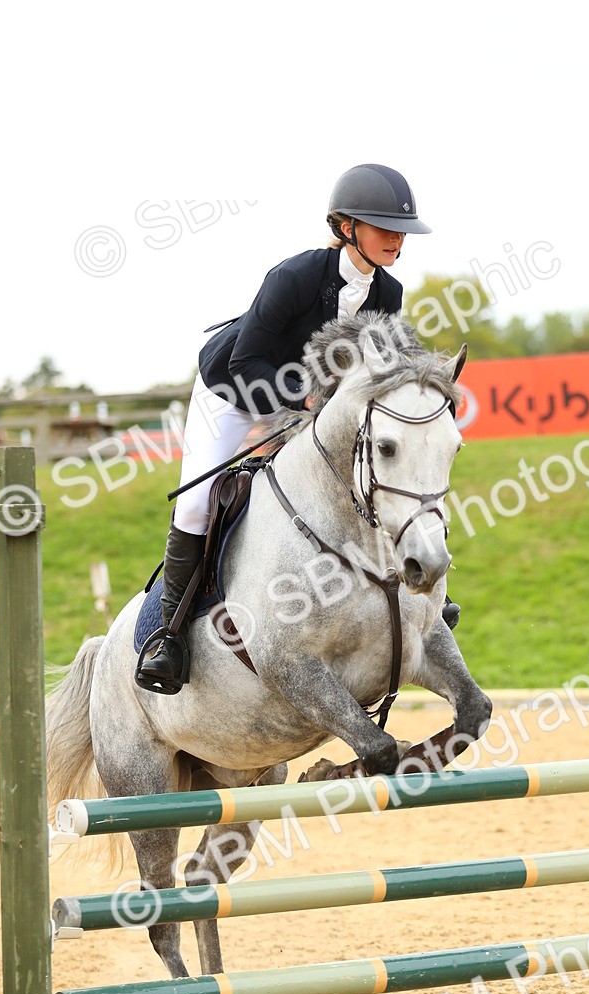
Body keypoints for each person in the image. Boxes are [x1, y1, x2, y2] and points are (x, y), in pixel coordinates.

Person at [136, 163, 459, 695]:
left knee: (373, 473)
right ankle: (168, 636)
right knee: (195, 503)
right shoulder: (294, 276)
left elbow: (382, 372)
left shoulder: (389, 291)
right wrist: (306, 399)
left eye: (401, 231)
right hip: (233, 391)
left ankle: (419, 597)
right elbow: (245, 363)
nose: (397, 239)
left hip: (312, 403)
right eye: (384, 228)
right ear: (347, 227)